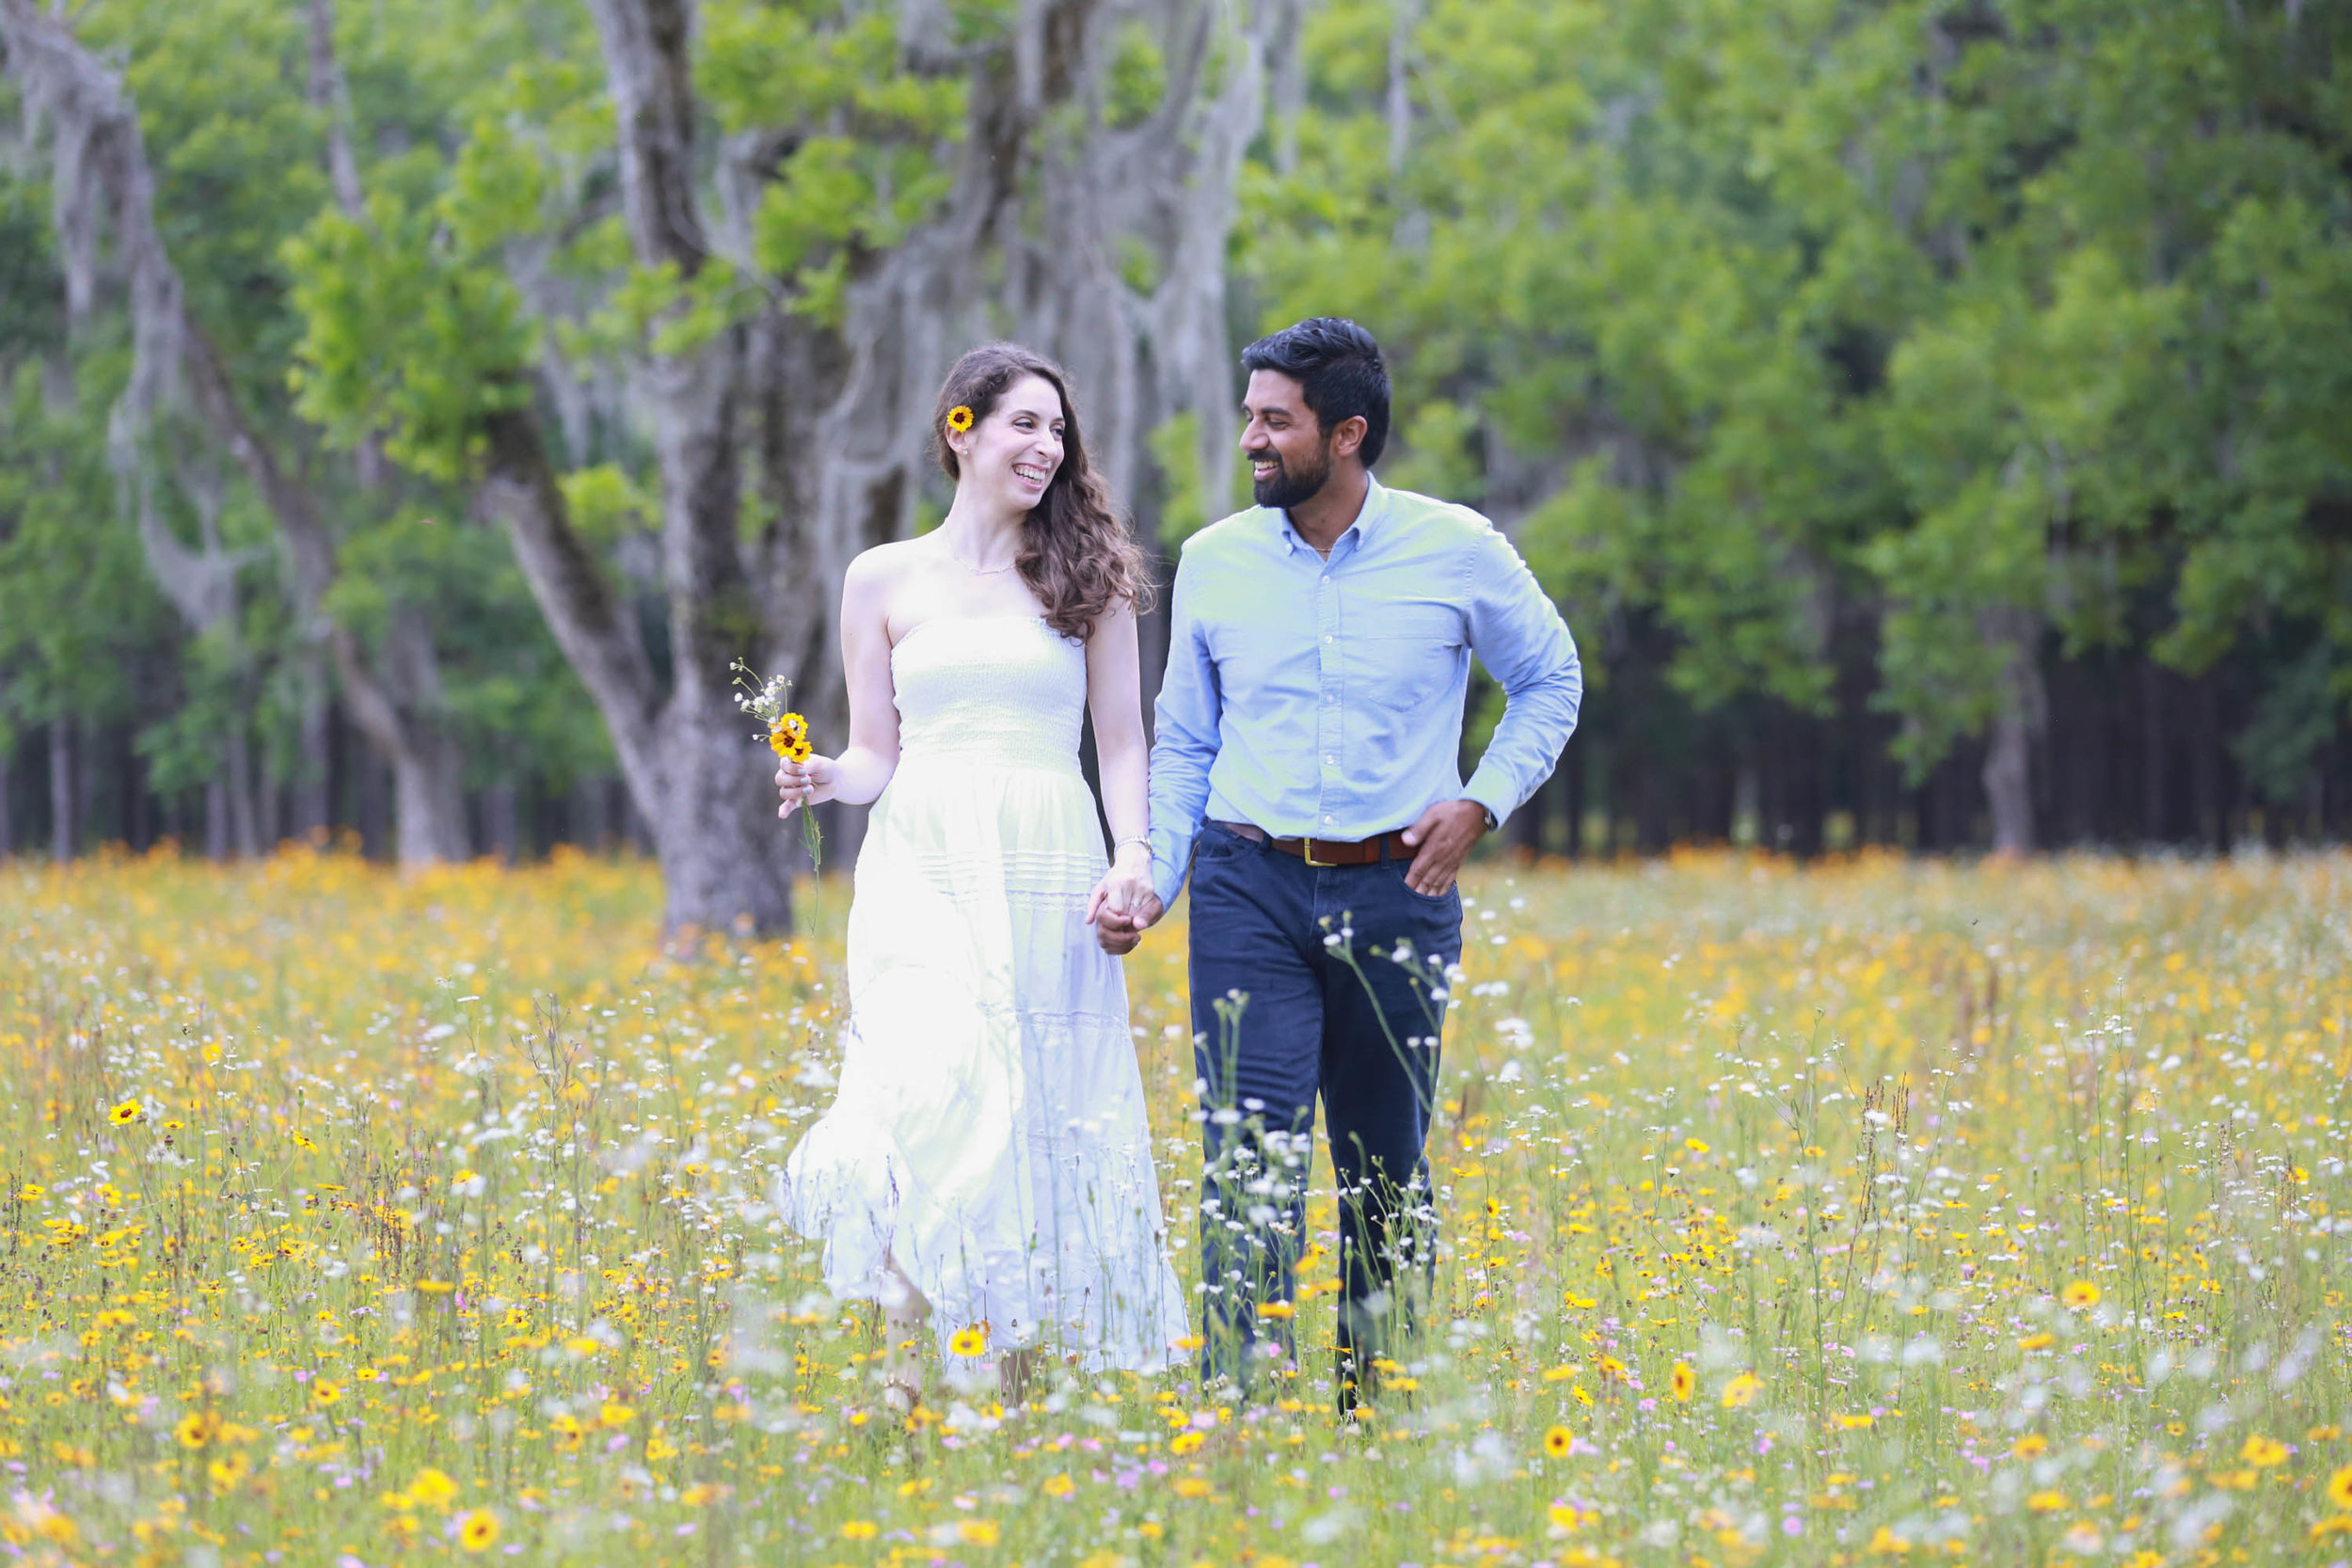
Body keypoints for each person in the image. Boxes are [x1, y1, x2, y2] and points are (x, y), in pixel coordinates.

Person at [1097, 317, 1581, 1410]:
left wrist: (1481, 802)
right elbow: (1185, 744)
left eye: (1276, 421)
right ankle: (1242, 1416)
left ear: (1347, 433)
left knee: (1383, 1169)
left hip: (1395, 891)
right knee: (1248, 1167)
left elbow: (1551, 677)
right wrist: (1151, 878)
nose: (1251, 440)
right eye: (1249, 416)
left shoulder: (1456, 548)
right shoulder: (1215, 560)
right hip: (1246, 884)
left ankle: (1378, 1416)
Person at [773, 343, 1187, 1413]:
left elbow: (1123, 741)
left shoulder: (1090, 575)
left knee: (1030, 1107)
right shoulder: (880, 576)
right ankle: (907, 1383)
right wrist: (825, 774)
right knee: (926, 1093)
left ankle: (1010, 1379)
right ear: (961, 428)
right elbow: (877, 753)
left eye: (1058, 430)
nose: (1046, 447)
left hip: (1046, 854)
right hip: (920, 861)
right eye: (1024, 424)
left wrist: (1133, 857)